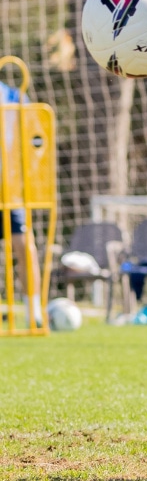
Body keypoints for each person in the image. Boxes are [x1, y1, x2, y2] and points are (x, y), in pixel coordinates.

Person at [0, 80, 43, 325]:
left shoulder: (14, 96)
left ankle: (33, 311)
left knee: (25, 245)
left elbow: (34, 138)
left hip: (10, 188)